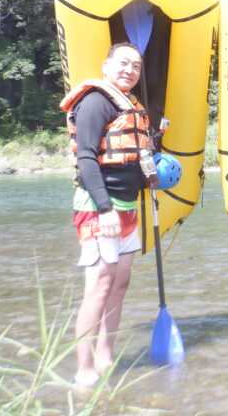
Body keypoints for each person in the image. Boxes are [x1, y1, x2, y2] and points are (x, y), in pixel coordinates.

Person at [59, 42, 155, 387]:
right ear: (106, 65)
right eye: (123, 63)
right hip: (99, 207)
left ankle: (106, 354)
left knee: (120, 283)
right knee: (99, 286)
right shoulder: (95, 101)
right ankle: (84, 368)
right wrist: (104, 207)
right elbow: (85, 158)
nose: (129, 70)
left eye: (136, 66)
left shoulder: (129, 105)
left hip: (127, 207)